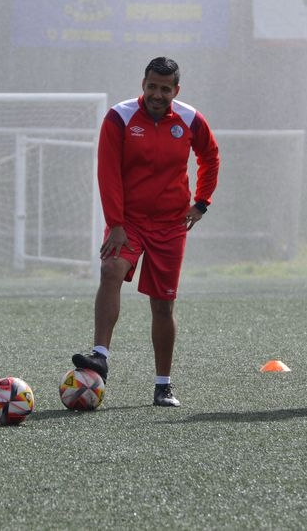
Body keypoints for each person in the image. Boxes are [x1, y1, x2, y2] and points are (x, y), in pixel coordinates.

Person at [72, 57, 220, 407]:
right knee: (111, 269)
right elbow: (107, 172)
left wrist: (202, 202)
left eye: (164, 89)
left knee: (163, 306)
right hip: (129, 222)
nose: (157, 94)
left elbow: (210, 157)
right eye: (152, 86)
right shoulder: (119, 117)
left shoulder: (190, 119)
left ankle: (163, 384)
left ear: (176, 90)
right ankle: (100, 357)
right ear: (143, 84)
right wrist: (117, 224)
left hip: (171, 224)